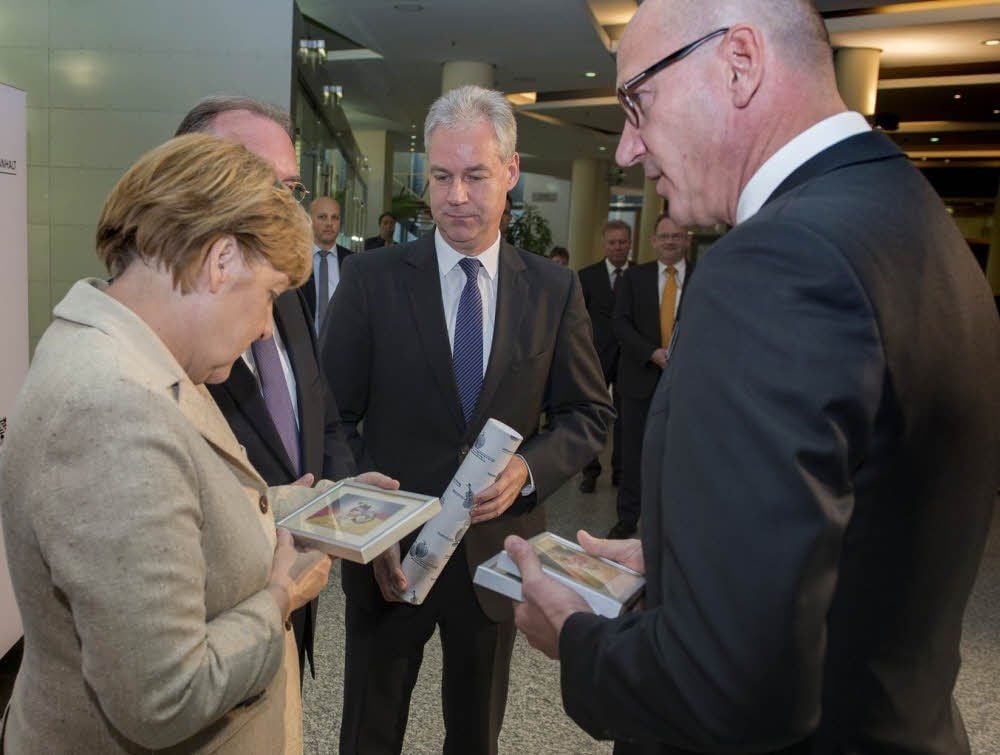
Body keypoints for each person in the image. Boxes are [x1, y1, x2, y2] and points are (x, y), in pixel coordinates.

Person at [506, 1, 1000, 753]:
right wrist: (685, 556)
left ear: (738, 62)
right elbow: (867, 521)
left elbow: (732, 687)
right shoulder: (909, 214)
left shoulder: (778, 262)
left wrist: (574, 638)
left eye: (637, 101)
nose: (629, 149)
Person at [0, 134, 335, 753]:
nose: (266, 326)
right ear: (222, 260)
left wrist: (319, 506)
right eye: (268, 296)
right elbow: (163, 695)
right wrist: (278, 599)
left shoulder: (138, 350)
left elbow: (181, 507)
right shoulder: (113, 406)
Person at [321, 84, 612, 755]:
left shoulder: (553, 289)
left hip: (494, 554)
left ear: (511, 173)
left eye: (475, 176)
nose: (456, 196)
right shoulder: (372, 281)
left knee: (476, 733)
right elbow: (331, 414)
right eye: (442, 176)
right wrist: (363, 514)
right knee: (370, 727)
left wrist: (528, 469)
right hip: (389, 556)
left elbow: (588, 413)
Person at [176, 97, 356, 684]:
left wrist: (342, 496)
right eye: (258, 183)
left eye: (290, 188)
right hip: (210, 622)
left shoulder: (288, 293)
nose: (284, 210)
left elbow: (320, 414)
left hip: (290, 599)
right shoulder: (166, 337)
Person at [609, 213, 691, 539]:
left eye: (677, 235)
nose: (670, 241)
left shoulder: (703, 277)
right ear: (653, 241)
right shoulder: (634, 278)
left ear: (687, 240)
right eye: (664, 236)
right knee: (633, 454)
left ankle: (672, 523)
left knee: (680, 456)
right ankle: (627, 519)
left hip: (687, 384)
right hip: (639, 381)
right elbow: (620, 323)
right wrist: (652, 353)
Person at [576, 220, 631, 493]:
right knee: (592, 414)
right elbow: (577, 319)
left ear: (629, 243)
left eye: (622, 242)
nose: (618, 247)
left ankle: (620, 470)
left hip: (630, 358)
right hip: (595, 355)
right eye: (612, 242)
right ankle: (590, 470)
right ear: (604, 244)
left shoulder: (639, 275)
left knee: (626, 416)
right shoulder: (587, 276)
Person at [306, 196, 354, 331]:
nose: (329, 223)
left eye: (335, 218)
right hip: (303, 344)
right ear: (309, 221)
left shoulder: (352, 262)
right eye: (322, 217)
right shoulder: (294, 259)